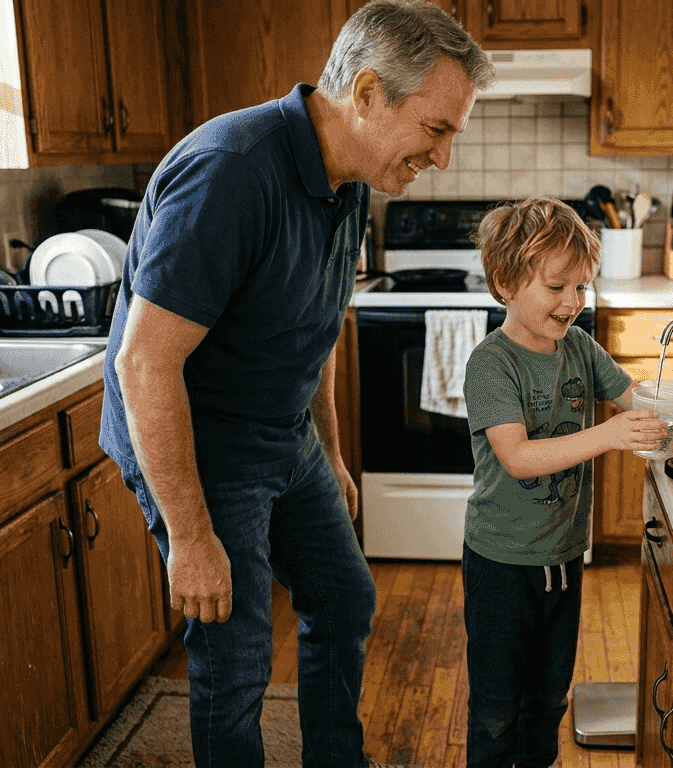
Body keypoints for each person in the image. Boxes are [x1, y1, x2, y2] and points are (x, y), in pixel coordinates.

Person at [98, 1, 495, 766]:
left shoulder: (351, 177)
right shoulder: (232, 172)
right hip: (203, 443)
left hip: (286, 433)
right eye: (436, 130)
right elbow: (144, 363)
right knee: (235, 651)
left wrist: (334, 456)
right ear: (370, 93)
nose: (442, 158)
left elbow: (320, 324)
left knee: (344, 597)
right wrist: (190, 538)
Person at [461, 197, 673, 768]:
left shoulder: (580, 348)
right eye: (557, 287)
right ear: (505, 283)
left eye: (582, 287)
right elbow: (516, 457)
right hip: (500, 564)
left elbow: (633, 396)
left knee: (548, 698)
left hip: (563, 558)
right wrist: (611, 434)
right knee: (497, 709)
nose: (573, 303)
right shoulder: (492, 365)